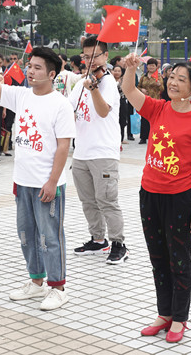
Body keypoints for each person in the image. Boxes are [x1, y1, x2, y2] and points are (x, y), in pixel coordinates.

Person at [0, 45, 75, 310]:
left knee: (50, 237)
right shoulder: (20, 96)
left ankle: (58, 287)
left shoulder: (60, 104)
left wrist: (53, 181)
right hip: (23, 182)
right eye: (29, 66)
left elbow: (64, 146)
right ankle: (36, 282)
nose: (30, 71)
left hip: (47, 184)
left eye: (37, 68)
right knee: (26, 235)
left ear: (52, 73)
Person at [121, 55, 191, 343]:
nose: (173, 82)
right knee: (157, 257)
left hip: (181, 199)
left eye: (181, 79)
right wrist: (131, 69)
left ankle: (180, 318)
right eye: (171, 76)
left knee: (179, 260)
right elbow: (129, 91)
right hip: (149, 194)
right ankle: (165, 313)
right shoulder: (158, 109)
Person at [68, 36, 128, 264]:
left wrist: (93, 89)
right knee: (88, 201)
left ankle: (119, 244)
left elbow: (103, 111)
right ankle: (98, 239)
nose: (90, 60)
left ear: (105, 56)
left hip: (104, 153)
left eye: (95, 56)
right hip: (81, 152)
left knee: (107, 201)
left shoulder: (108, 82)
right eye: (86, 56)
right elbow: (69, 110)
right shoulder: (83, 82)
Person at [137, 58, 164, 144]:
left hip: (154, 101)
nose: (151, 67)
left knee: (154, 120)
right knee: (144, 119)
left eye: (153, 65)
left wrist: (159, 85)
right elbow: (137, 87)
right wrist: (142, 90)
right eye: (149, 65)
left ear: (156, 67)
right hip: (144, 101)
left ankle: (153, 136)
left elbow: (162, 89)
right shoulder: (143, 77)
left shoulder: (159, 77)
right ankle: (143, 137)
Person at [112, 64, 129, 144]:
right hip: (112, 102)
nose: (117, 73)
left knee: (122, 120)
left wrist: (118, 83)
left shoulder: (124, 80)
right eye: (115, 71)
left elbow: (124, 89)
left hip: (122, 102)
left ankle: (121, 138)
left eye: (119, 71)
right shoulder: (110, 80)